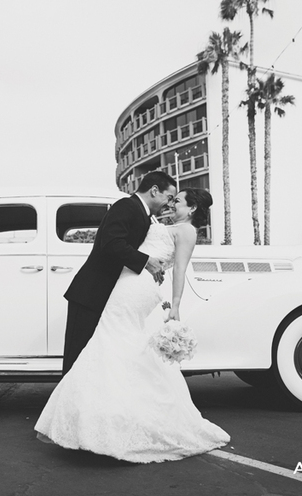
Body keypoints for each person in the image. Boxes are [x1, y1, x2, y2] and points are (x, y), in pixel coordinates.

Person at [36, 189, 230, 463]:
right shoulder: (164, 224)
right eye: (171, 198)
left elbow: (180, 270)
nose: (172, 204)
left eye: (178, 201)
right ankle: (107, 417)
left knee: (113, 336)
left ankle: (109, 420)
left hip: (138, 286)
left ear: (193, 208)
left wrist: (175, 306)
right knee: (115, 340)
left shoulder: (187, 231)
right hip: (126, 282)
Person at [61, 171, 177, 375]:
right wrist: (146, 261)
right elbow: (111, 243)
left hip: (109, 296)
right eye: (168, 197)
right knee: (78, 356)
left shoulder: (143, 214)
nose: (169, 204)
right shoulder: (126, 206)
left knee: (95, 357)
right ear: (154, 190)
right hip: (91, 293)